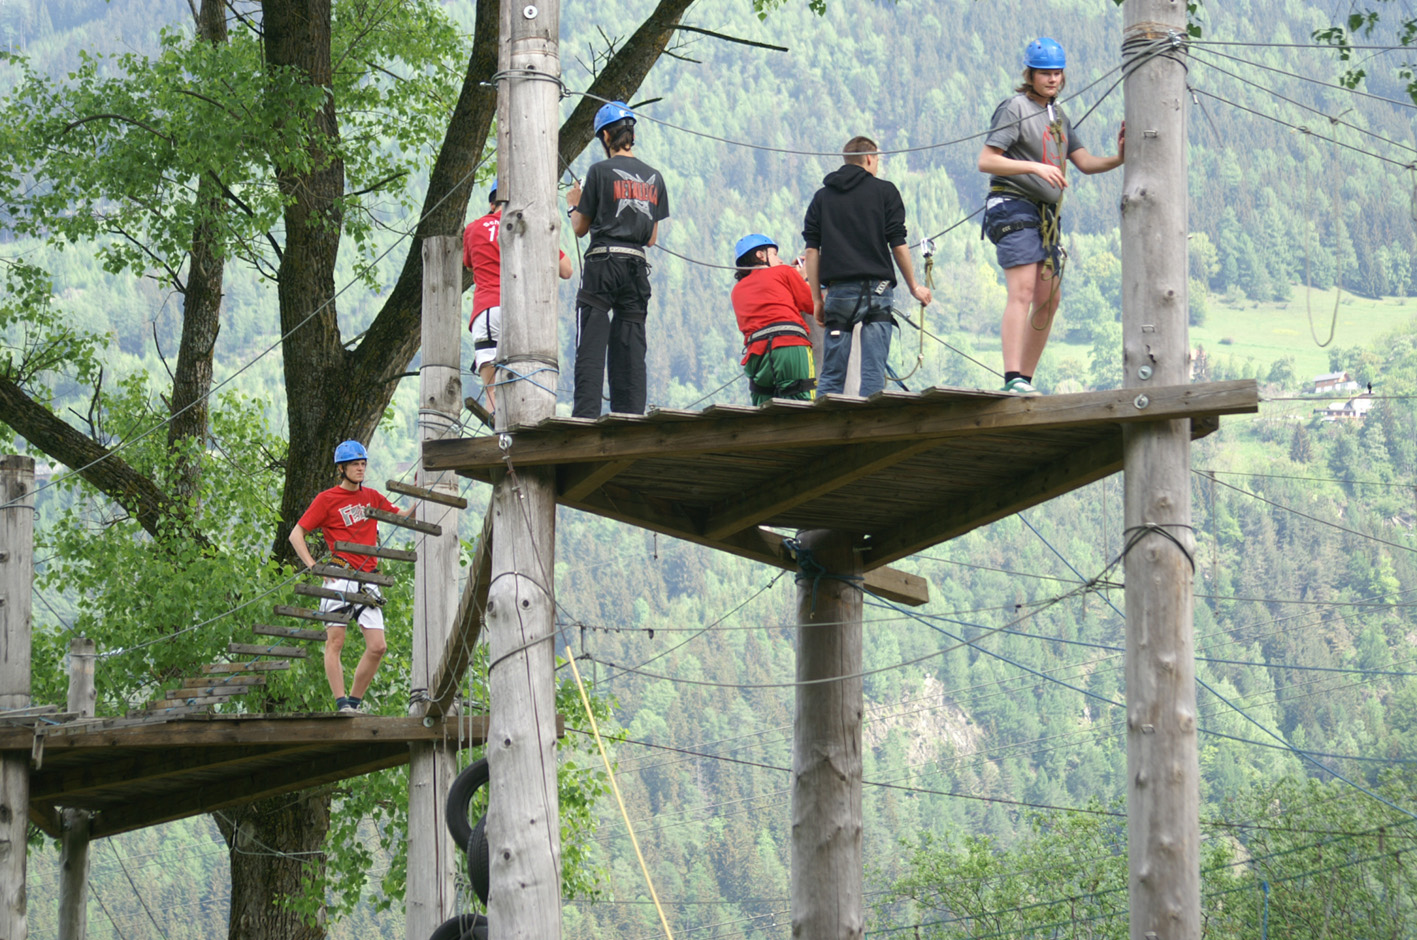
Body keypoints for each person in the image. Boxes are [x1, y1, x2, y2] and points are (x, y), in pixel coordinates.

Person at [977, 37, 1125, 396]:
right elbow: (987, 160)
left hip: (1044, 217)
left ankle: (1024, 380)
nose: (1053, 79)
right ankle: (1012, 376)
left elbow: (1085, 162)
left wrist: (1121, 158)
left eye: (1057, 73)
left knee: (1049, 299)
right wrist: (1036, 168)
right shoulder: (1015, 108)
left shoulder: (1058, 116)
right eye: (1045, 73)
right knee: (1023, 290)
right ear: (1030, 75)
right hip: (1012, 205)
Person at [288, 440, 412, 716]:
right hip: (340, 575)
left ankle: (354, 703)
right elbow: (296, 534)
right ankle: (341, 702)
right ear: (341, 468)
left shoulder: (372, 497)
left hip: (369, 579)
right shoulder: (327, 499)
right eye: (355, 464)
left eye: (363, 464)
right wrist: (313, 567)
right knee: (336, 641)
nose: (360, 468)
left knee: (378, 647)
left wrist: (419, 498)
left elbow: (402, 517)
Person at [802, 136, 932, 397]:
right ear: (871, 159)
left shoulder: (822, 198)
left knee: (831, 374)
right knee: (873, 373)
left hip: (838, 293)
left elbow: (812, 251)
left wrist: (817, 299)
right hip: (877, 290)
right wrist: (914, 286)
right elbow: (897, 243)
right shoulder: (885, 191)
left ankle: (825, 421)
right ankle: (870, 421)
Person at [565, 101, 670, 418]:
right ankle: (630, 415)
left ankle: (586, 414)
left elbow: (580, 228)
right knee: (631, 341)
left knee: (592, 337)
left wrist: (574, 204)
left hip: (603, 263)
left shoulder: (599, 172)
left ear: (606, 136)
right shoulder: (655, 177)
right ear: (632, 135)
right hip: (636, 267)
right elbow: (651, 238)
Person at [463, 182, 574, 417]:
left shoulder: (473, 228)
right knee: (527, 380)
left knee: (493, 389)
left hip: (485, 313)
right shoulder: (529, 227)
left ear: (491, 203)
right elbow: (566, 270)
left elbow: (469, 264)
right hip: (520, 312)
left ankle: (498, 431)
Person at [730, 233, 815, 405]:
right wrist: (804, 278)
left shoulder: (737, 290)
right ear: (760, 255)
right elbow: (812, 304)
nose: (780, 260)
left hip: (757, 354)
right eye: (775, 254)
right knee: (801, 401)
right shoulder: (784, 272)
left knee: (763, 406)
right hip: (790, 346)